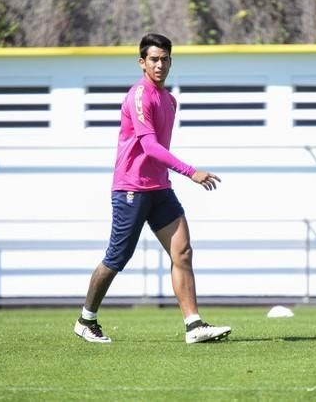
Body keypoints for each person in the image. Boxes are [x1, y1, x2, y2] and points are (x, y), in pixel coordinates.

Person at [74, 33, 231, 344]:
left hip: (160, 188)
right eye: (154, 59)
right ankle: (85, 320)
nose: (160, 64)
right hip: (131, 188)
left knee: (182, 252)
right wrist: (191, 172)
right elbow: (150, 147)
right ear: (142, 62)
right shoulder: (139, 96)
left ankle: (194, 325)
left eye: (165, 59)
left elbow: (157, 151)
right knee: (117, 257)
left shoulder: (169, 100)